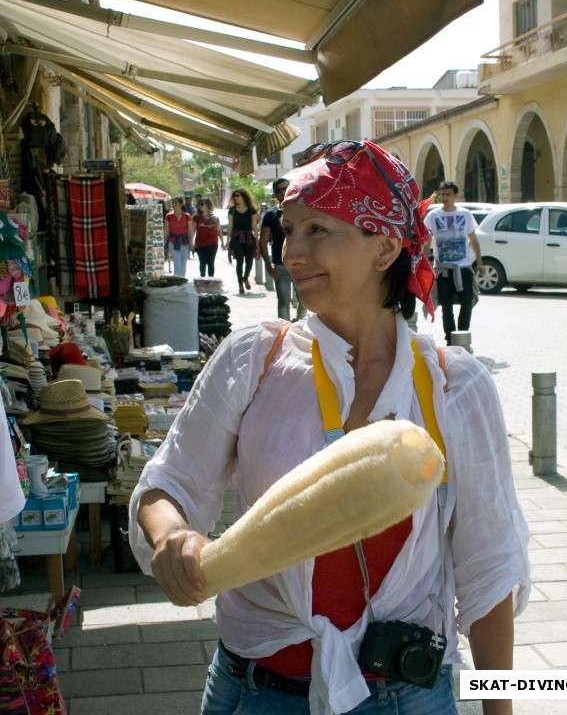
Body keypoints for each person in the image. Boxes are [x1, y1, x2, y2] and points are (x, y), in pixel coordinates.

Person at [130, 140, 530, 715]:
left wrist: (503, 709)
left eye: (318, 230)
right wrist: (171, 535)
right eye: (289, 229)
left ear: (386, 245)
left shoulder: (454, 388)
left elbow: (488, 569)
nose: (292, 252)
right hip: (257, 692)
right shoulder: (256, 360)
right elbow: (169, 481)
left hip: (410, 696)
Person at [424, 182, 485, 346]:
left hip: (463, 267)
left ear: (455, 196)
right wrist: (425, 264)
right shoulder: (433, 216)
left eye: (448, 194)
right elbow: (426, 241)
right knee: (446, 306)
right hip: (443, 269)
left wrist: (479, 263)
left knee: (467, 301)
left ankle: (462, 336)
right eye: (442, 194)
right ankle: (450, 340)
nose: (445, 198)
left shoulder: (465, 215)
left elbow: (473, 239)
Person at [259, 177, 307, 321]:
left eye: (285, 188)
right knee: (283, 301)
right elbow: (263, 241)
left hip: (301, 264)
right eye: (278, 190)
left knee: (305, 300)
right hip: (280, 265)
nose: (282, 192)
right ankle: (284, 332)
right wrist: (268, 264)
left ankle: (299, 325)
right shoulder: (270, 215)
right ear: (274, 193)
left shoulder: (302, 211)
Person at [224, 188, 259, 295]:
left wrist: (257, 240)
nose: (236, 198)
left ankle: (245, 277)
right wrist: (227, 241)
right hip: (236, 238)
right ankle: (240, 285)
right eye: (234, 196)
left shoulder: (252, 210)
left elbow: (254, 226)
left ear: (243, 197)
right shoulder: (232, 210)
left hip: (249, 237)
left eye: (238, 195)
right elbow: (230, 226)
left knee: (249, 261)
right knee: (239, 262)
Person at [193, 198, 225, 278]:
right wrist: (191, 242)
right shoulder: (197, 217)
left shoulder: (214, 218)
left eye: (202, 204)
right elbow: (193, 230)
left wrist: (222, 242)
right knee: (202, 262)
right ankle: (202, 278)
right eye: (200, 204)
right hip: (200, 243)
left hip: (212, 243)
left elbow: (219, 230)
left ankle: (211, 279)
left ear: (207, 205)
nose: (200, 206)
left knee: (210, 262)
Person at [164, 196, 194, 277]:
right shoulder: (168, 216)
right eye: (173, 203)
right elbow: (166, 231)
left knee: (183, 264)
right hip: (173, 242)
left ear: (181, 204)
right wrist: (162, 241)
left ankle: (182, 281)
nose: (174, 205)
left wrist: (191, 242)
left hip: (184, 241)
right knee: (177, 263)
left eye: (176, 203)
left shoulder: (187, 216)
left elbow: (190, 230)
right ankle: (177, 282)